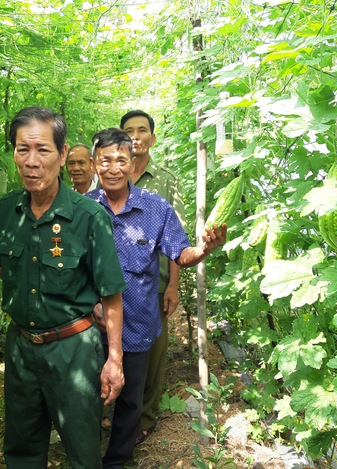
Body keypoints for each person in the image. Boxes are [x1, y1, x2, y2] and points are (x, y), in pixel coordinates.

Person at [0, 107, 126, 469]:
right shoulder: (6, 211)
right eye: (21, 150)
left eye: (42, 150)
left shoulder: (88, 217)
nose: (31, 162)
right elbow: (3, 265)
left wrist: (114, 359)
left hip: (73, 350)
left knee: (81, 447)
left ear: (61, 156)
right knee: (22, 447)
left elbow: (111, 293)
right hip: (22, 349)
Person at [85, 128, 226, 469]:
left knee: (131, 398)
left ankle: (117, 460)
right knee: (86, 397)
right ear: (94, 165)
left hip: (137, 322)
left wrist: (204, 249)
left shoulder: (155, 208)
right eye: (106, 161)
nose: (114, 168)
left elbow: (180, 253)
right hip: (89, 326)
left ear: (132, 163)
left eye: (121, 160)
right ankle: (85, 456)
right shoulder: (82, 209)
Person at [120, 109, 186, 443]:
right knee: (114, 344)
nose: (136, 136)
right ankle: (115, 412)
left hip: (156, 279)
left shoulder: (167, 180)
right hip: (117, 280)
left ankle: (145, 416)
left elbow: (176, 236)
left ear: (152, 138)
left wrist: (173, 284)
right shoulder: (110, 174)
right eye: (129, 130)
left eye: (142, 130)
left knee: (153, 350)